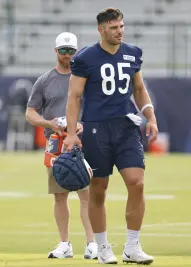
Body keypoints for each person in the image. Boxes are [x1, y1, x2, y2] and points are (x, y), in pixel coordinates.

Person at [64, 7, 158, 265]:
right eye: (114, 27)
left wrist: (150, 116)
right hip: (96, 129)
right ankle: (103, 246)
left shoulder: (132, 53)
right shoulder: (85, 58)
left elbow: (139, 88)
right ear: (101, 29)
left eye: (122, 26)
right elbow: (74, 96)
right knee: (98, 189)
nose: (120, 31)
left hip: (126, 126)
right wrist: (72, 133)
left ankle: (132, 246)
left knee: (136, 183)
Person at [26, 32, 98, 260]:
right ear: (56, 51)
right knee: (59, 195)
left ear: (76, 52)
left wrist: (82, 126)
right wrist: (48, 123)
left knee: (86, 194)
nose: (67, 55)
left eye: (71, 51)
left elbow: (95, 107)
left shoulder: (85, 77)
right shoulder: (45, 80)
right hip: (56, 142)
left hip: (81, 140)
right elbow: (30, 112)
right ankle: (65, 243)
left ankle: (92, 243)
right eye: (63, 50)